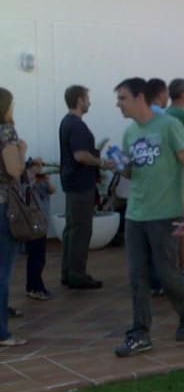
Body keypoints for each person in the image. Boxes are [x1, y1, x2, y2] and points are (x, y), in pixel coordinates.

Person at [112, 77, 184, 358]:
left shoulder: (169, 126)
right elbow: (133, 171)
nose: (119, 105)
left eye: (122, 98)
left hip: (166, 213)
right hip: (136, 213)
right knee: (137, 275)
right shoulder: (129, 133)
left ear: (140, 98)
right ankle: (140, 333)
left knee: (167, 273)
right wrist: (119, 165)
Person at [58, 85, 111, 290]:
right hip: (81, 183)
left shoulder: (66, 122)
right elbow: (80, 155)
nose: (90, 102)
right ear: (80, 100)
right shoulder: (77, 125)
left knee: (72, 228)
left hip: (72, 182)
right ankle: (77, 274)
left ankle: (68, 272)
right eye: (87, 98)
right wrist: (102, 162)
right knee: (81, 229)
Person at [0, 87, 28, 346]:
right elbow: (14, 170)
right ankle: (2, 332)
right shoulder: (6, 132)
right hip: (5, 207)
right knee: (3, 269)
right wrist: (22, 149)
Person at [24, 158, 56, 301]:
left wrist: (46, 179)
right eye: (35, 167)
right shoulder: (25, 183)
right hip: (32, 225)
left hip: (42, 224)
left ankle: (35, 286)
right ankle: (35, 287)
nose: (38, 170)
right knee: (36, 257)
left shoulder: (41, 182)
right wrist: (31, 180)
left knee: (39, 257)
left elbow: (52, 190)